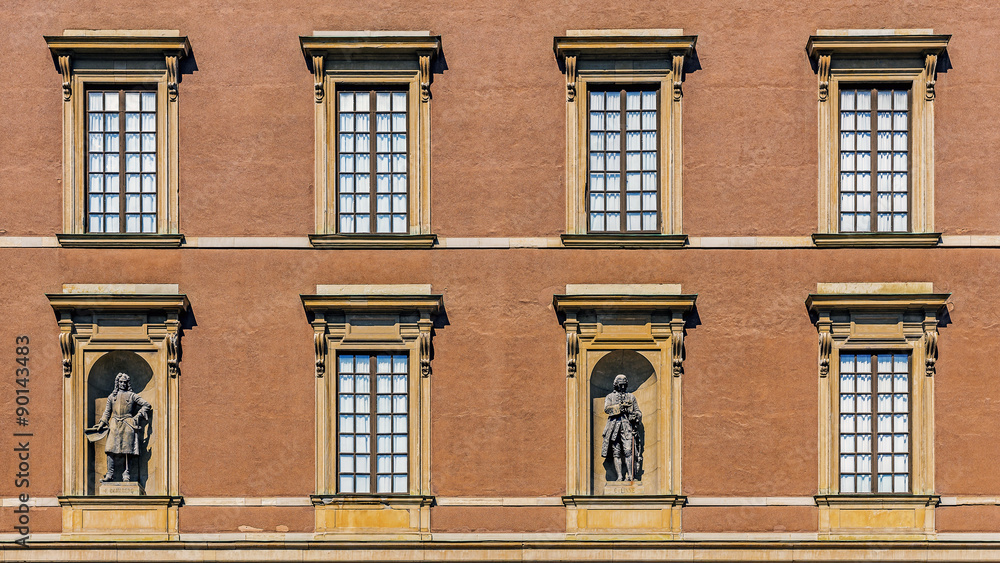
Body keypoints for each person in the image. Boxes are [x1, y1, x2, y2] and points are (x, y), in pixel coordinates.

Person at [92, 372, 151, 482]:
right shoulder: (112, 396)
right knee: (110, 449)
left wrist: (137, 416)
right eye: (121, 382)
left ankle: (126, 474)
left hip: (128, 423)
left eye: (125, 382)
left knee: (127, 450)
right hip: (114, 423)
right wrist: (101, 424)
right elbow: (107, 412)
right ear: (117, 383)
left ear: (127, 383)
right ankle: (110, 474)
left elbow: (146, 405)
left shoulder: (132, 395)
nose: (123, 384)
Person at [601, 373, 642, 481]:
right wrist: (619, 407)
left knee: (628, 450)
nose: (623, 387)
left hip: (627, 427)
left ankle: (630, 476)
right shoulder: (610, 396)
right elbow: (606, 409)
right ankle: (619, 476)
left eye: (624, 385)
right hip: (614, 427)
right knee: (616, 452)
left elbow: (638, 411)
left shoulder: (631, 397)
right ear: (616, 385)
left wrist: (635, 415)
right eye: (620, 385)